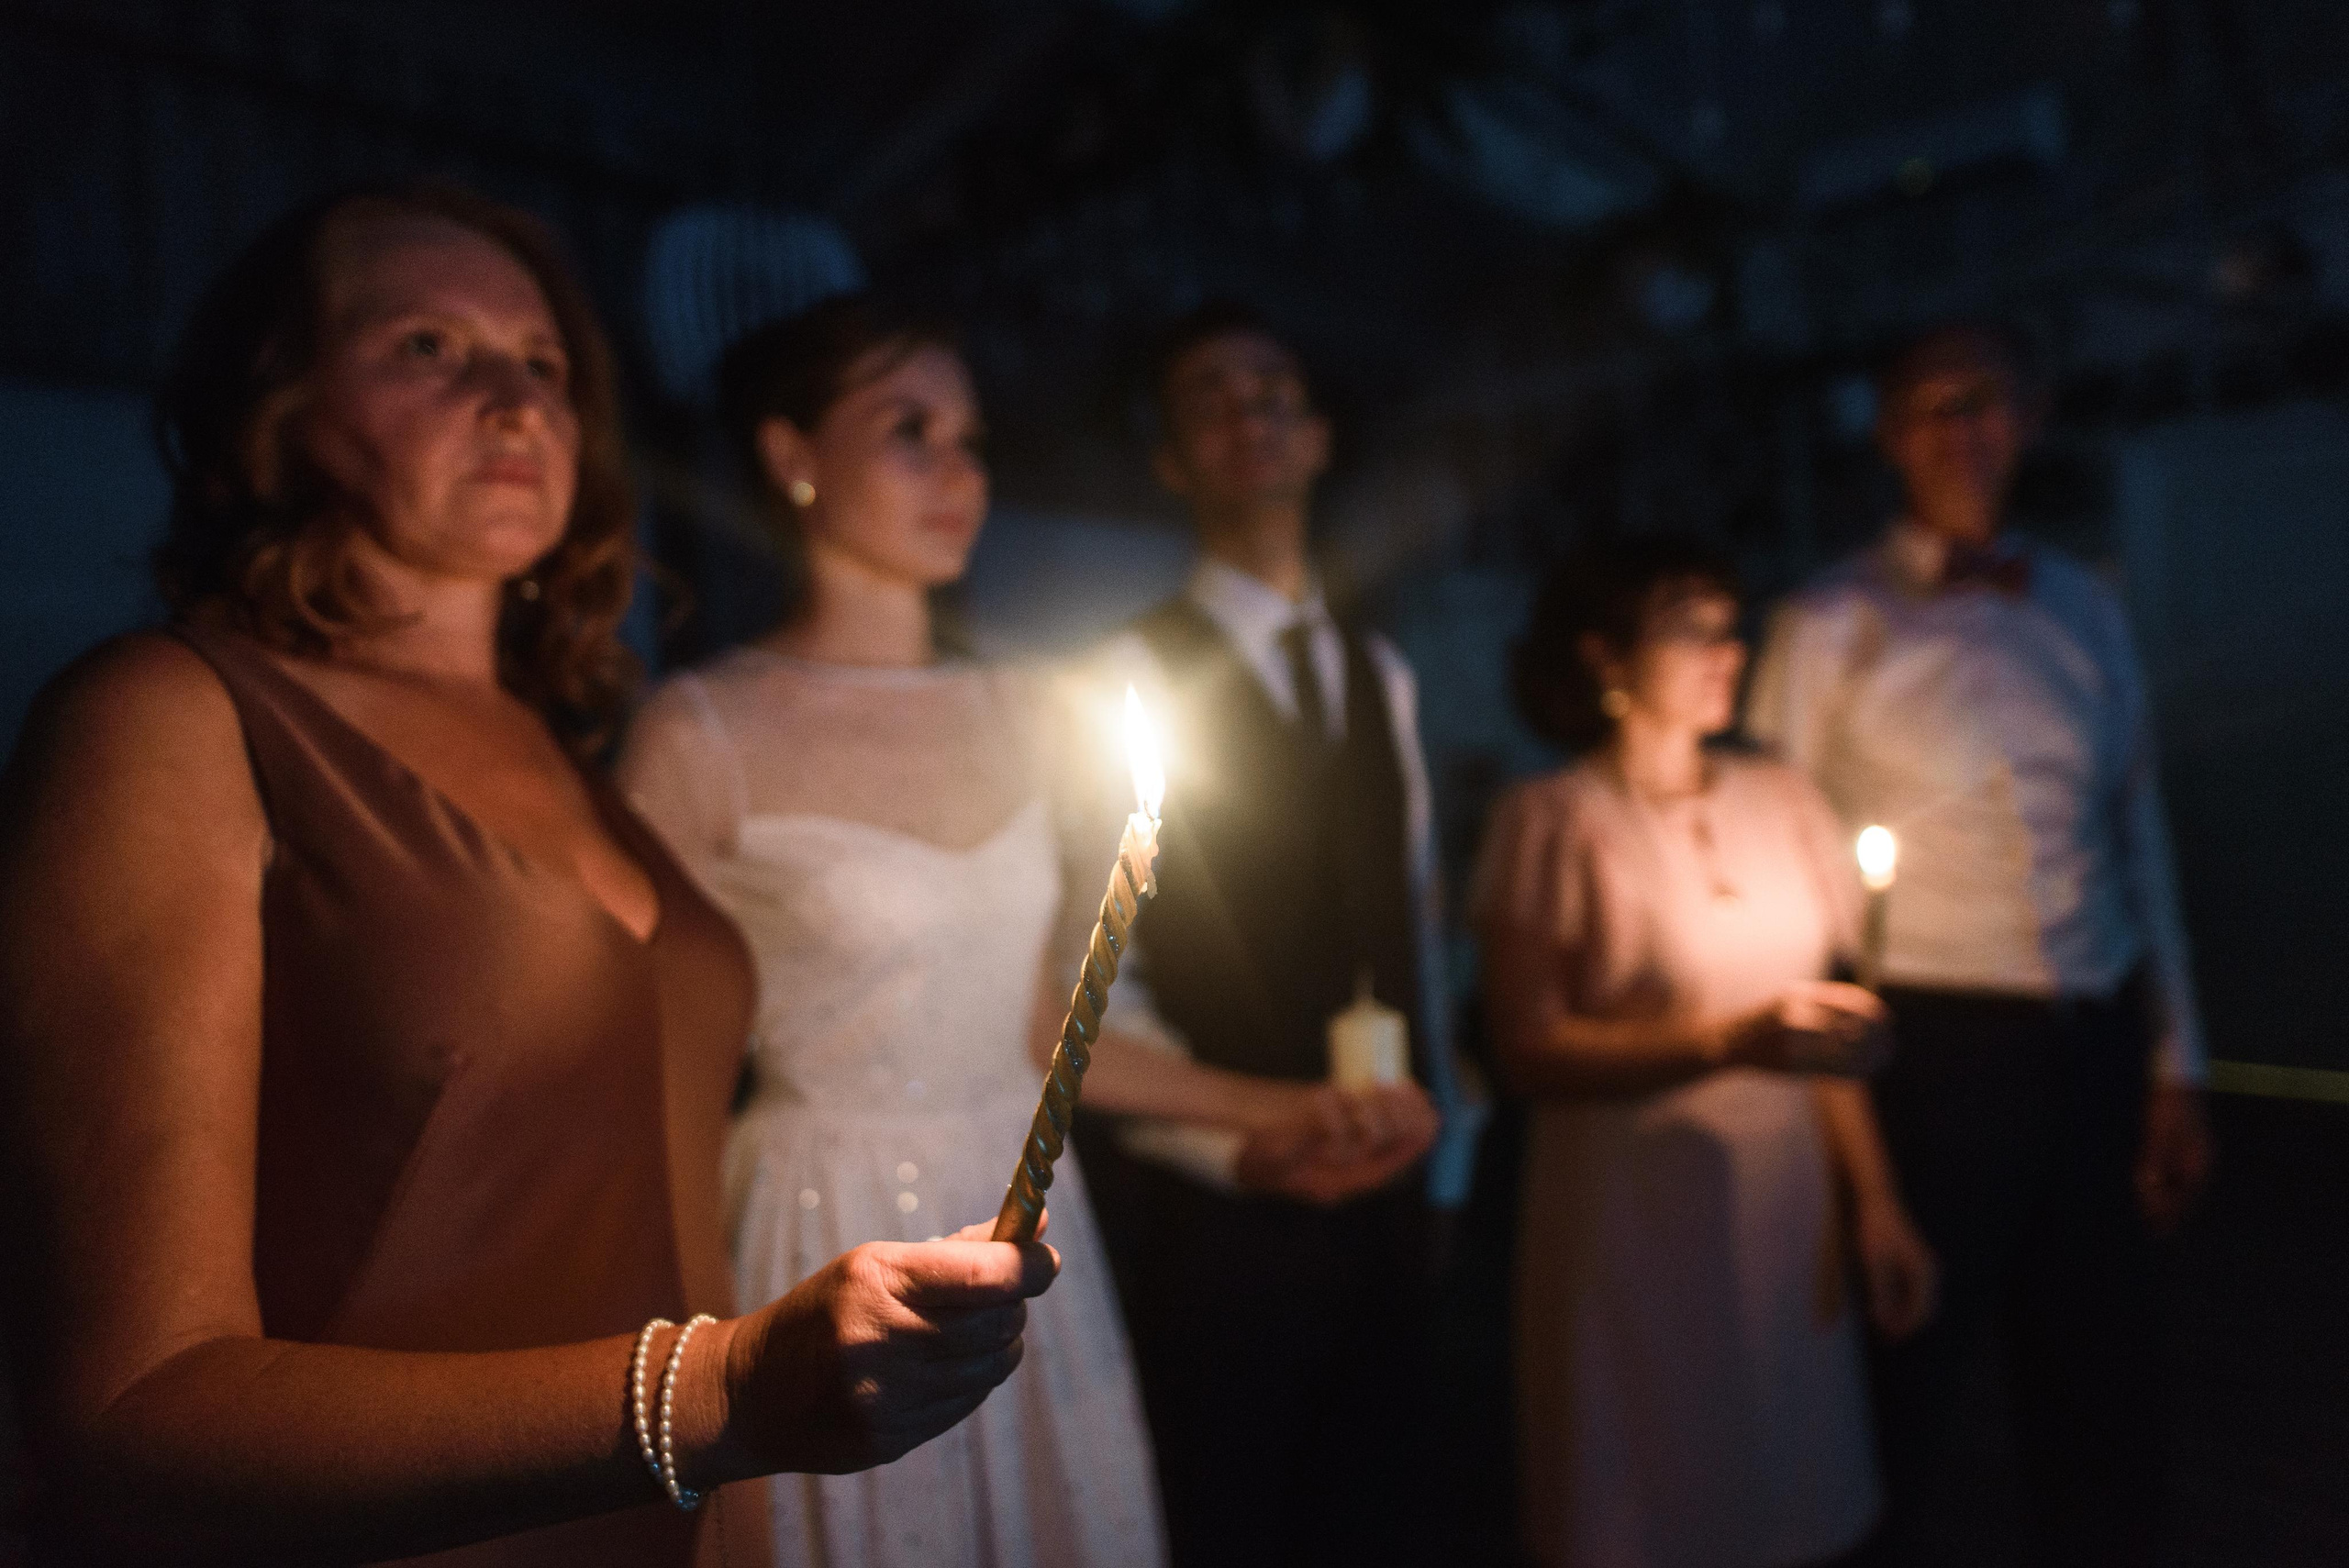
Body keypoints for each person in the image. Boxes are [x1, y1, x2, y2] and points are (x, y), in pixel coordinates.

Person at [0, 187, 1054, 1568]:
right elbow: (129, 1403)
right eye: (426, 348)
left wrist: (737, 1490)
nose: (510, 399)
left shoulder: (573, 756)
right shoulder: (168, 719)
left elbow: (677, 1240)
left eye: (544, 363)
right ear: (276, 403)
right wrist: (721, 1392)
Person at [624, 293, 1326, 1564]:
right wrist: (697, 1359)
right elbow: (645, 1069)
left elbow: (1050, 1025)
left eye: (972, 440)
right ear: (790, 454)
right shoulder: (699, 733)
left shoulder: (1027, 711)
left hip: (1029, 1220)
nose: (959, 473)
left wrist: (1283, 1111)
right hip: (814, 1218)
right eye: (910, 430)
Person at [1745, 324, 2215, 1567]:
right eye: (1934, 406)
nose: (1964, 430)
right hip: (1927, 1036)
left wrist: (2176, 1058)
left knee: (2101, 1373)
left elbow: (2138, 832)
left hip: (2091, 1025)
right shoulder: (1828, 619)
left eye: (1987, 401)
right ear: (1890, 435)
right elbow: (1771, 845)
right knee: (1902, 1379)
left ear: (2030, 416)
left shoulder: (2084, 605)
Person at [1067, 303, 1451, 1568]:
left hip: (1387, 1184)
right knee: (1230, 1514)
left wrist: (1441, 1151)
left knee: (1380, 1510)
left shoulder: (1380, 671)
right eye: (1212, 399)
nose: (1250, 418)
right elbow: (1095, 974)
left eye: (1273, 391)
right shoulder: (1125, 676)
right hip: (1218, 1213)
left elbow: (1410, 924)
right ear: (1172, 459)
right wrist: (1230, 1145)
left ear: (1320, 436)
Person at [1473, 539, 1936, 1568]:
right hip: (1628, 1215)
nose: (1727, 652)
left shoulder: (1783, 797)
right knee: (1648, 1487)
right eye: (1690, 628)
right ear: (1605, 655)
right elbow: (1528, 1048)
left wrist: (1876, 1200)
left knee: (1786, 1481)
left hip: (1782, 1209)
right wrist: (1731, 1039)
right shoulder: (1551, 818)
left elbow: (1820, 1041)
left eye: (1730, 627)